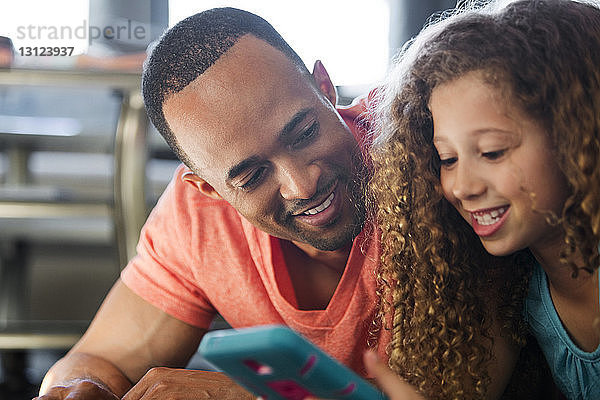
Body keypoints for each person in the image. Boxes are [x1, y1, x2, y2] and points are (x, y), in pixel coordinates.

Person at [35, 7, 388, 400]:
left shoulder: (436, 148)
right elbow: (100, 361)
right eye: (252, 176)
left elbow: (468, 383)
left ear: (325, 86)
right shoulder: (199, 218)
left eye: (304, 132)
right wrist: (78, 389)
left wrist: (254, 395)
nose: (301, 185)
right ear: (209, 188)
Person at [369, 0, 599, 399]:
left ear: (578, 136)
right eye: (448, 159)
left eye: (492, 152)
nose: (463, 187)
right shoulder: (516, 287)